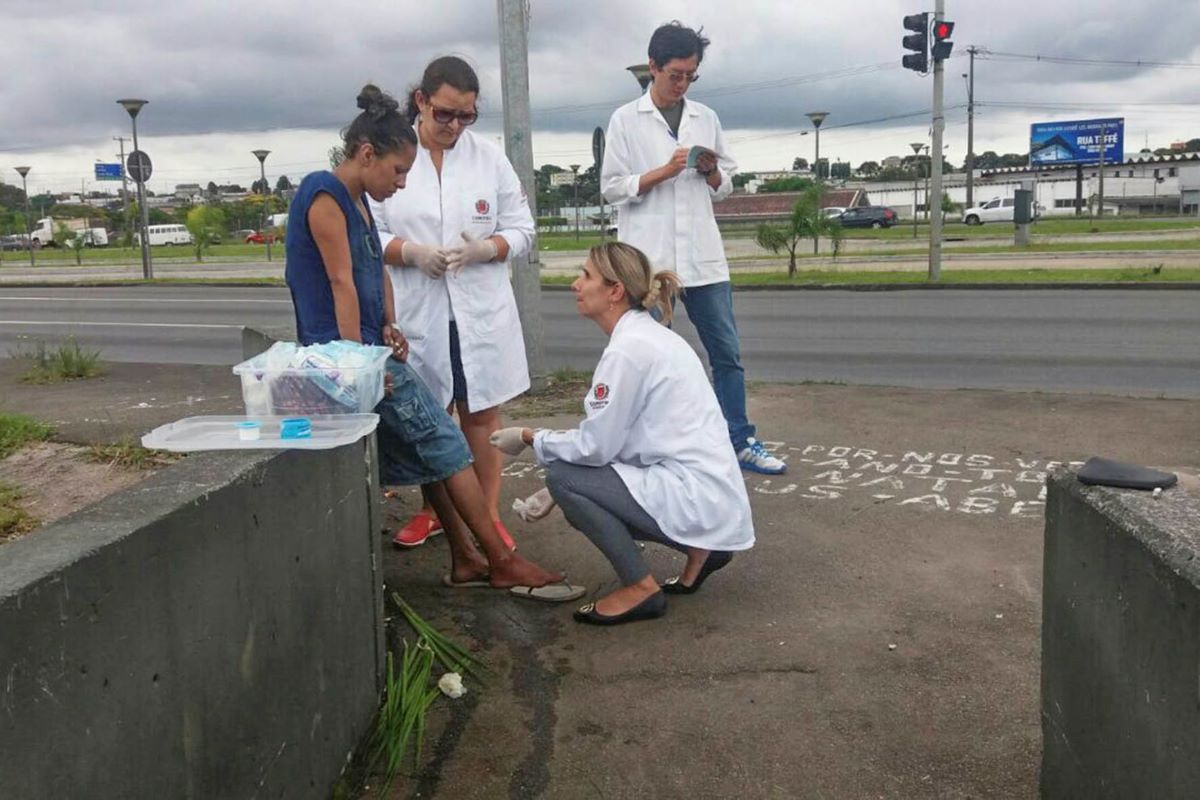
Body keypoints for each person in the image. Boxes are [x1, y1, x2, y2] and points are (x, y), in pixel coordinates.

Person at [284, 83, 560, 590]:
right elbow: (342, 284)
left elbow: (374, 275)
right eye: (397, 171)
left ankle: (466, 557)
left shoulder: (358, 198)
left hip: (375, 345)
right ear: (367, 153)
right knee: (448, 446)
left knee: (433, 448)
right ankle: (499, 560)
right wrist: (358, 370)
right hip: (348, 357)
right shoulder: (324, 196)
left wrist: (389, 325)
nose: (402, 183)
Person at [490, 243, 755, 626]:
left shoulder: (627, 352)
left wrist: (532, 437)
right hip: (708, 492)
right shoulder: (652, 336)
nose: (574, 284)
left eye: (585, 276)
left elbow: (596, 448)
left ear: (614, 291)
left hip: (695, 492)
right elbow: (626, 440)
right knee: (569, 484)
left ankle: (640, 588)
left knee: (566, 479)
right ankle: (701, 549)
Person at [601, 21, 787, 476]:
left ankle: (739, 439)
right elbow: (611, 188)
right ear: (652, 68)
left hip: (703, 261)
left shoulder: (707, 117)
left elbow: (725, 187)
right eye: (675, 74)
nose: (682, 84)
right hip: (649, 264)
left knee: (726, 353)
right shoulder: (626, 120)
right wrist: (663, 171)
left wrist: (711, 172)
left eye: (691, 76)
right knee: (647, 359)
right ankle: (650, 446)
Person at [370, 56, 533, 549]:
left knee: (481, 413)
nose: (455, 126)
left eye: (466, 116)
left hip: (478, 309)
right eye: (445, 114)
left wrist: (487, 248)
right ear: (420, 101)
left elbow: (522, 230)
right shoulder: (393, 154)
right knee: (430, 415)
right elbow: (368, 233)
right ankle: (434, 512)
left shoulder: (488, 158)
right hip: (419, 308)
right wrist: (412, 253)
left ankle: (483, 515)